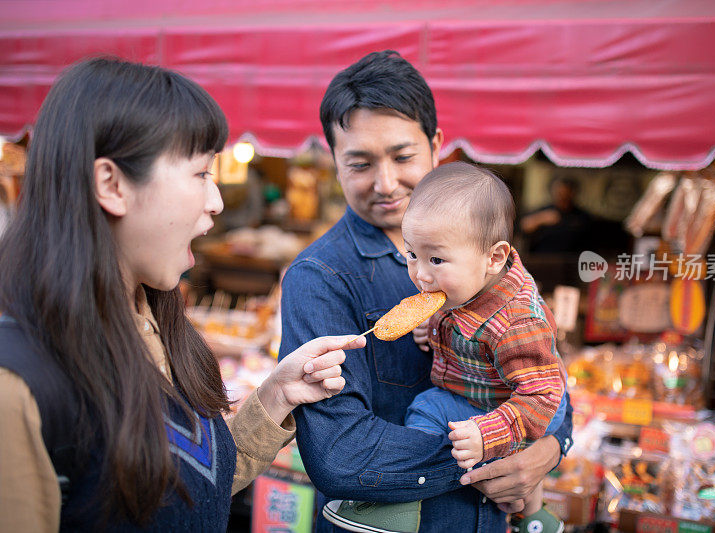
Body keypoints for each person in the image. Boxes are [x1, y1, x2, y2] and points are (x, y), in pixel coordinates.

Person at [0, 57, 364, 532]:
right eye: (200, 174)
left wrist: (277, 395)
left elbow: (184, 487)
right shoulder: (20, 388)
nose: (216, 202)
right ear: (111, 184)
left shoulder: (152, 315)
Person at [279, 50, 574, 533]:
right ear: (334, 160)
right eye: (359, 163)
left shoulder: (485, 258)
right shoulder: (320, 278)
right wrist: (489, 454)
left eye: (402, 156)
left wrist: (549, 446)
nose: (386, 183)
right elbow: (339, 454)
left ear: (436, 144)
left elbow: (544, 372)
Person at [323, 162, 568, 533]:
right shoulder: (466, 284)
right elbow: (458, 322)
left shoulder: (517, 323)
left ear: (495, 258)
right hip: (487, 388)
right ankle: (534, 517)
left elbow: (542, 395)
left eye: (436, 259)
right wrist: (431, 332)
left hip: (515, 401)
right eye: (411, 255)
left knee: (426, 409)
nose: (421, 274)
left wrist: (489, 433)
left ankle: (405, 502)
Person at [520, 176, 593, 254]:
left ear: (572, 193)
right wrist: (541, 218)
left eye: (566, 193)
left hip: (572, 260)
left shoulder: (581, 216)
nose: (562, 196)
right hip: (543, 259)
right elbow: (524, 226)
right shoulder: (545, 211)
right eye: (559, 193)